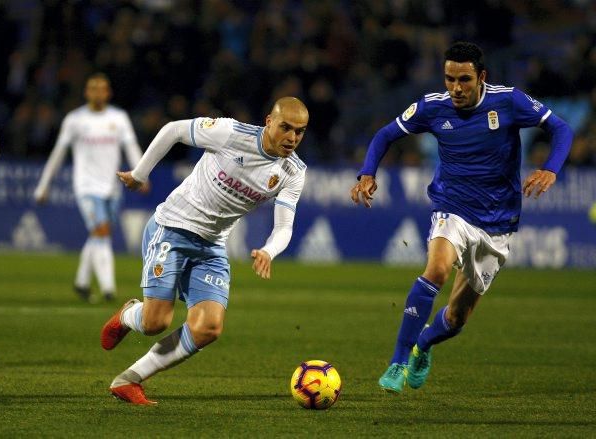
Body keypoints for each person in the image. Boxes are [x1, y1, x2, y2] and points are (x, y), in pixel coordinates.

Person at [350, 42, 573, 394]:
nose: (456, 87)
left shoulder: (509, 101)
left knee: (456, 319)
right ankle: (398, 361)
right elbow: (385, 135)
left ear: (481, 77)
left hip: (498, 222)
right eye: (450, 78)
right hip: (451, 207)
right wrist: (367, 173)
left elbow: (561, 128)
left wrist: (550, 169)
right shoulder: (432, 107)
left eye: (465, 79)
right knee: (435, 270)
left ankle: (424, 344)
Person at [101, 97, 309, 405]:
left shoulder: (293, 171)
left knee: (209, 327)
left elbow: (283, 227)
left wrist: (268, 251)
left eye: (300, 131)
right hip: (172, 228)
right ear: (268, 121)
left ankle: (129, 380)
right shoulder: (229, 133)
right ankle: (129, 315)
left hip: (211, 245)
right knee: (155, 322)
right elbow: (173, 130)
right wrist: (140, 173)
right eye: (286, 128)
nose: (292, 138)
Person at [34, 73, 145, 303]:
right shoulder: (75, 120)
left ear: (108, 92)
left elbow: (131, 146)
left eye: (101, 88)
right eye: (92, 88)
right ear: (86, 92)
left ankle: (82, 282)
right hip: (86, 186)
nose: (97, 92)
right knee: (102, 231)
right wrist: (43, 185)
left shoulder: (119, 118)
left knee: (99, 234)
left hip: (112, 187)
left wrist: (141, 173)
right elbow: (58, 153)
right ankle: (108, 289)